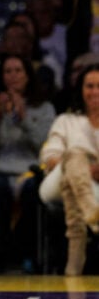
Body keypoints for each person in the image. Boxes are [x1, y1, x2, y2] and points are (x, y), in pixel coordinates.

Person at [0, 53, 56, 274]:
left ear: (28, 75)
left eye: (18, 70)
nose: (13, 76)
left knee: (34, 191)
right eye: (8, 71)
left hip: (30, 173)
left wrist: (24, 118)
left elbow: (45, 145)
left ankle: (29, 256)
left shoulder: (44, 107)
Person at [38, 62, 99, 276]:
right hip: (55, 182)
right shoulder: (66, 120)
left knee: (72, 187)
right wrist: (80, 165)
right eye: (89, 86)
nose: (94, 92)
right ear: (81, 90)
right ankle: (92, 213)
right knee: (74, 155)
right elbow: (50, 157)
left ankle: (74, 261)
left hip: (94, 187)